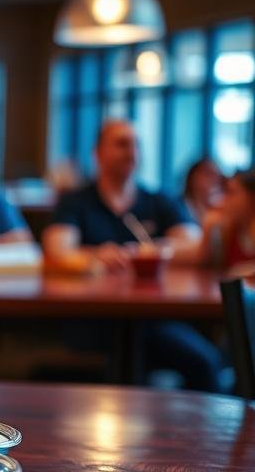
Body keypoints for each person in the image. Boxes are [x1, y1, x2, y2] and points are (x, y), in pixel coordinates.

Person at [44, 120, 224, 392]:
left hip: (153, 319)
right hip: (91, 319)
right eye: (122, 144)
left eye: (136, 144)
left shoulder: (158, 200)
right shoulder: (75, 202)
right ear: (98, 153)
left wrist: (145, 253)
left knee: (206, 364)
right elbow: (57, 249)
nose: (132, 151)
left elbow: (193, 245)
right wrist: (96, 255)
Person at [200, 170, 255, 272]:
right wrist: (208, 229)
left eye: (232, 193)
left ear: (252, 198)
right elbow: (210, 269)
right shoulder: (228, 230)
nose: (224, 200)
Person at [181, 157, 223, 225]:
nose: (214, 180)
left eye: (218, 176)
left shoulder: (219, 211)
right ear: (192, 177)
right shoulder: (174, 206)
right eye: (208, 174)